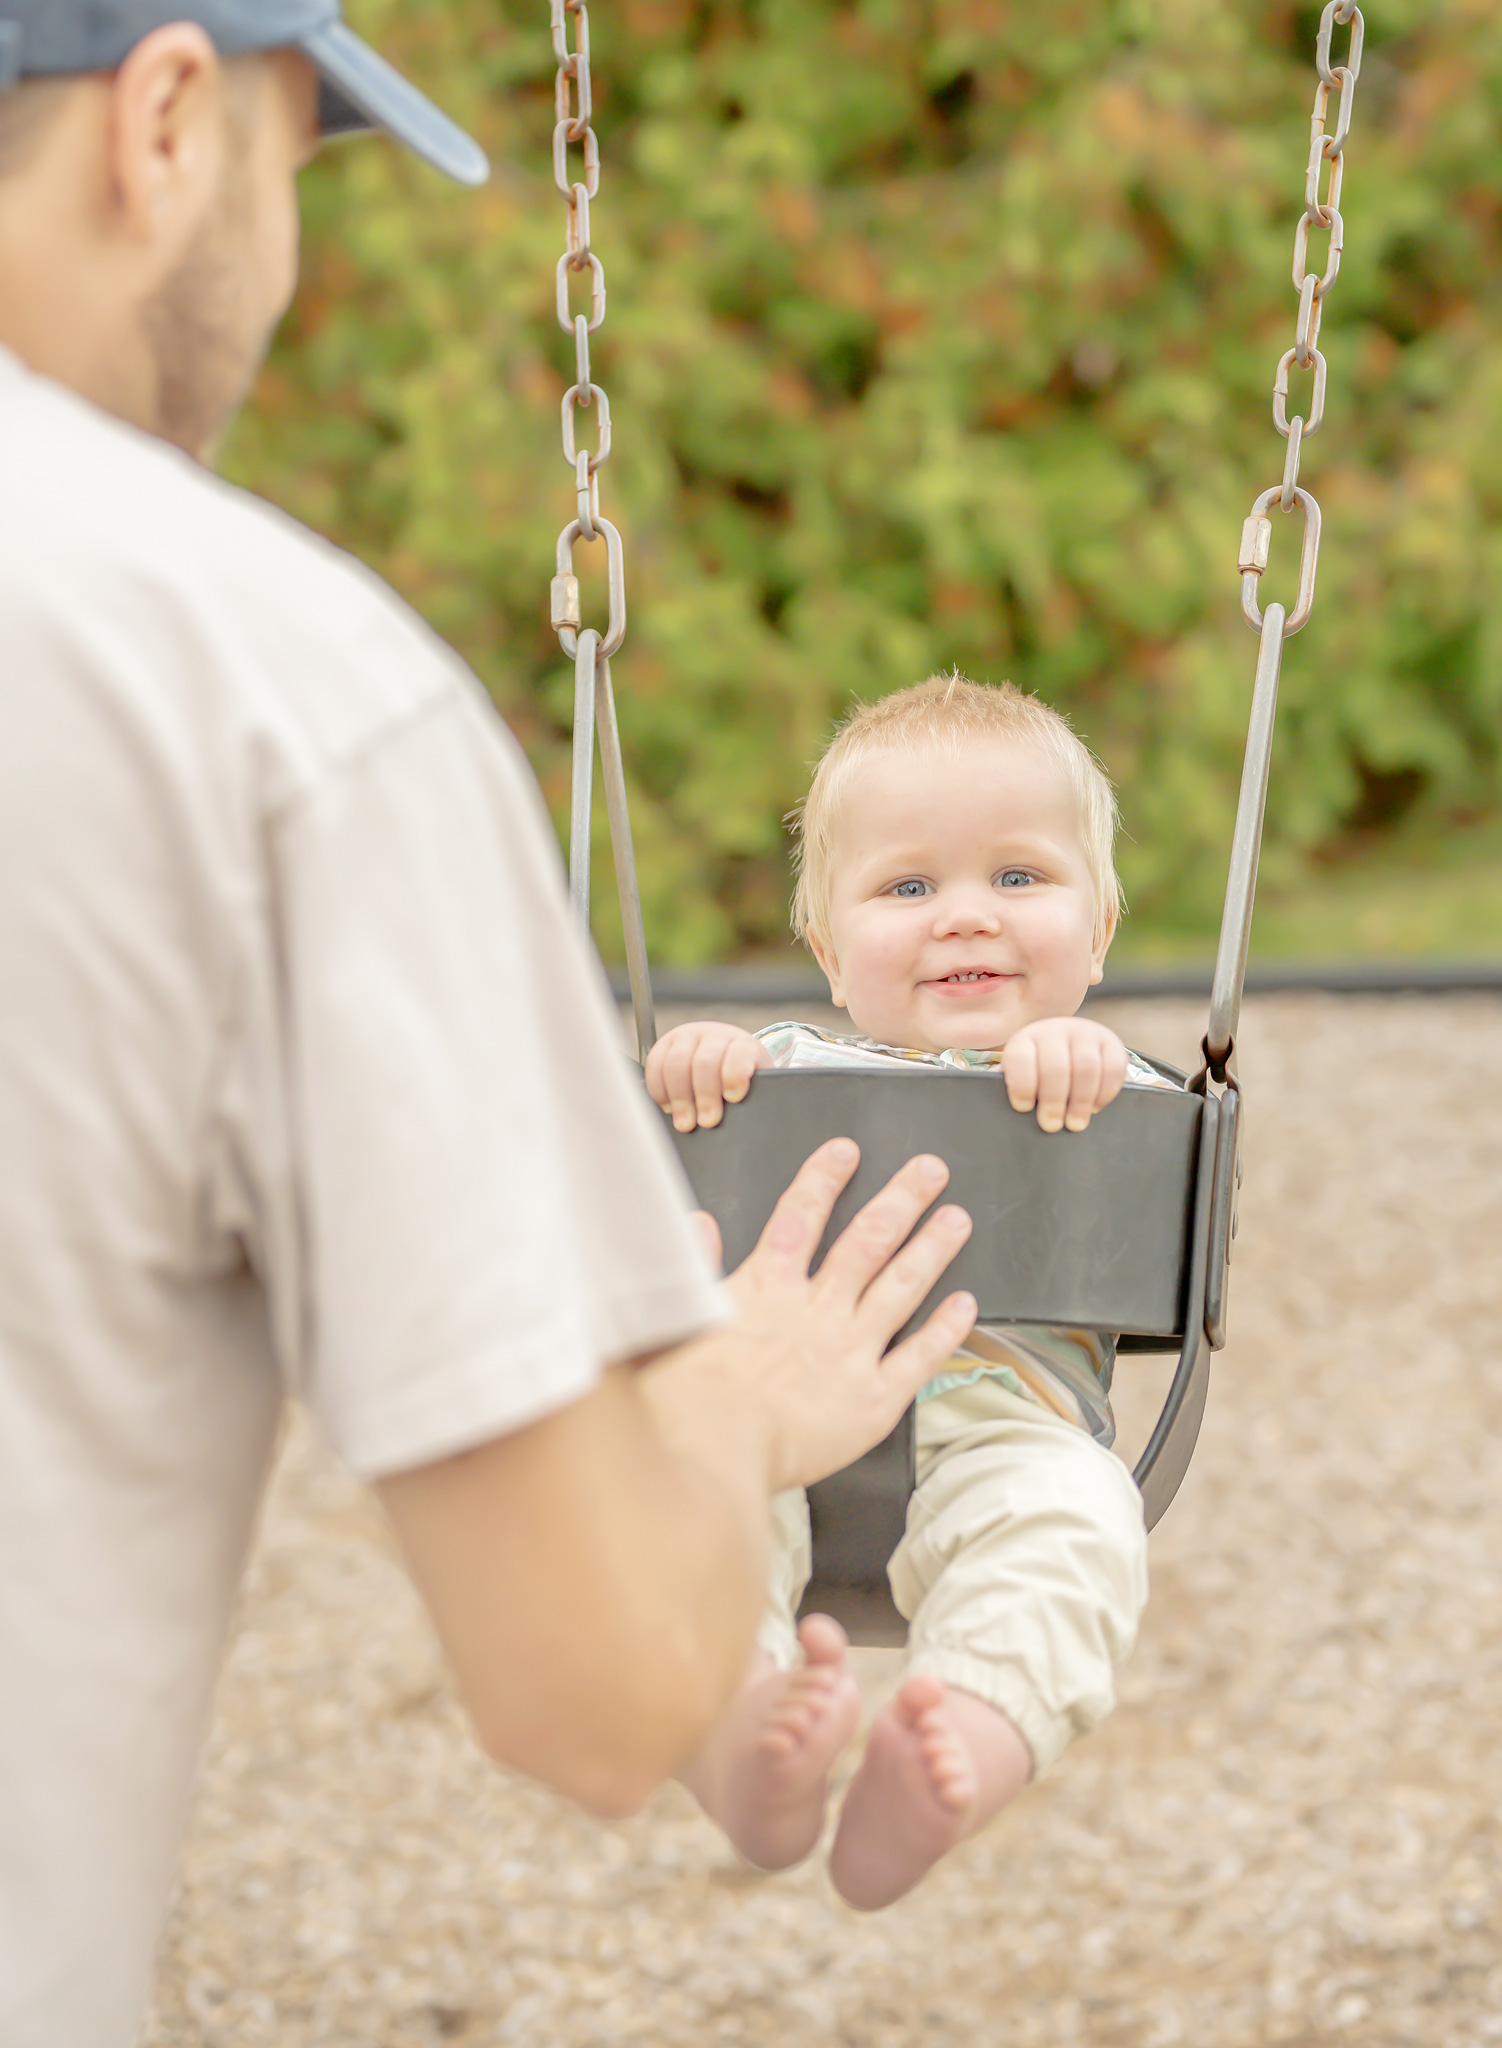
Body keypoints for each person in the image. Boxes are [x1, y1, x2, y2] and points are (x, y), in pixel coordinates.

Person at [0, 10, 980, 2043]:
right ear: (166, 122)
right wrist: (745, 1395)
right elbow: (599, 1677)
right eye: (298, 171)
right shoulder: (259, 694)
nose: (277, 282)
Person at [647, 674, 1163, 1909]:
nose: (966, 920)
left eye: (1020, 879)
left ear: (1095, 933)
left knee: (1075, 1525)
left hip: (1003, 1426)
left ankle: (952, 1754)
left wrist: (1083, 1061)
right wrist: (695, 1062)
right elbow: (687, 1113)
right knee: (671, 1512)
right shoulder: (783, 1064)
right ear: (826, 950)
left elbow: (1138, 1133)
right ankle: (743, 1745)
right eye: (908, 886)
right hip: (764, 1420)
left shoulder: (1089, 1074)